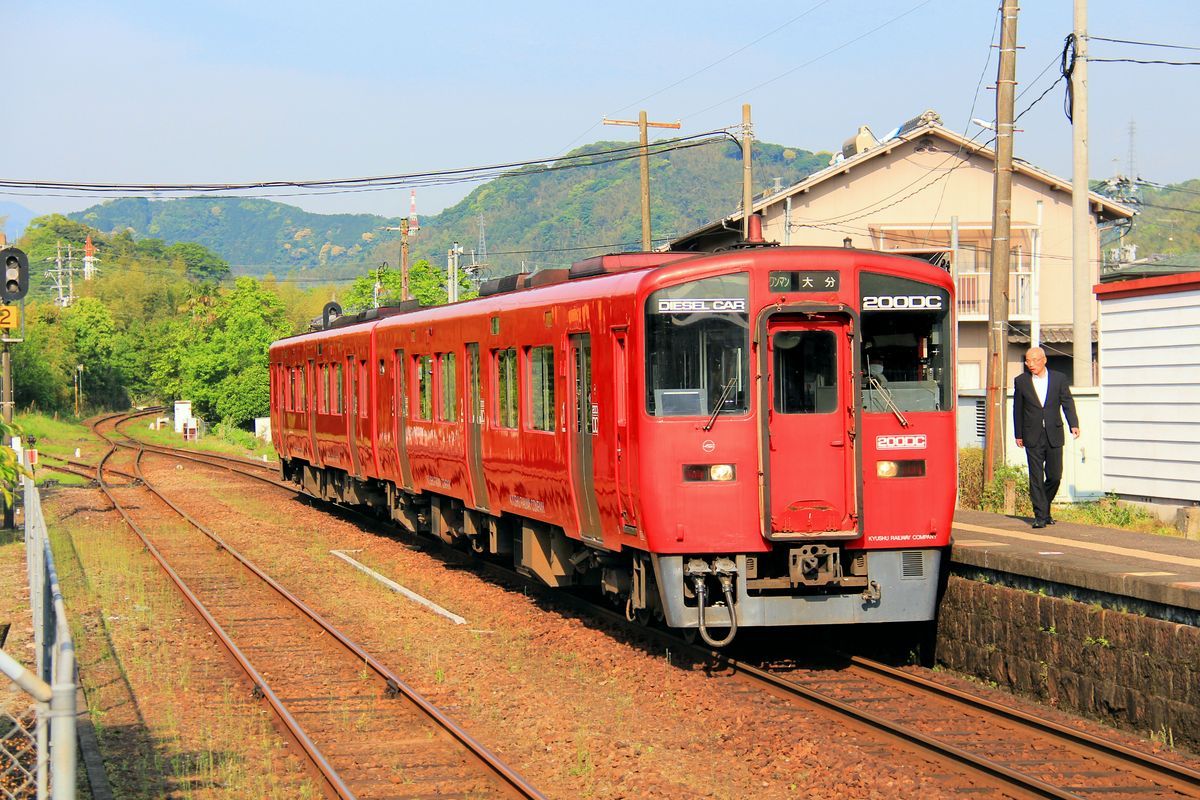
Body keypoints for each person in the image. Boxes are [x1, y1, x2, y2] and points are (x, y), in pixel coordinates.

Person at [1013, 347, 1080, 528]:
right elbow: (1017, 408)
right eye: (1027, 361)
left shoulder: (1059, 379)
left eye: (1034, 360)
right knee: (1036, 476)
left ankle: (1045, 506)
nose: (1031, 364)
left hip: (1054, 433)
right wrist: (1018, 433)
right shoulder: (1021, 381)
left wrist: (1073, 423)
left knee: (1055, 476)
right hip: (1032, 434)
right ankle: (1040, 517)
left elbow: (1067, 402)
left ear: (1044, 360)